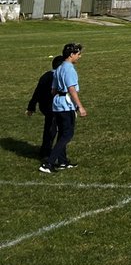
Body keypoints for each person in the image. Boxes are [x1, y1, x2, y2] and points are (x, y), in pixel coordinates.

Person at [43, 42, 86, 174]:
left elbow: (53, 90)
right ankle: (49, 163)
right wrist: (80, 106)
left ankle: (62, 161)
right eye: (78, 54)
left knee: (62, 133)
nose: (79, 57)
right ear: (71, 55)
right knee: (67, 134)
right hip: (66, 104)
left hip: (57, 104)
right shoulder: (69, 69)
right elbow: (71, 89)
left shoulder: (59, 68)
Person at [26, 55, 65, 163]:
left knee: (51, 127)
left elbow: (37, 92)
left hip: (45, 106)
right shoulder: (57, 77)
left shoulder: (46, 75)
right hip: (52, 107)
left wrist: (31, 106)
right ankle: (46, 153)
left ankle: (47, 150)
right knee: (51, 129)